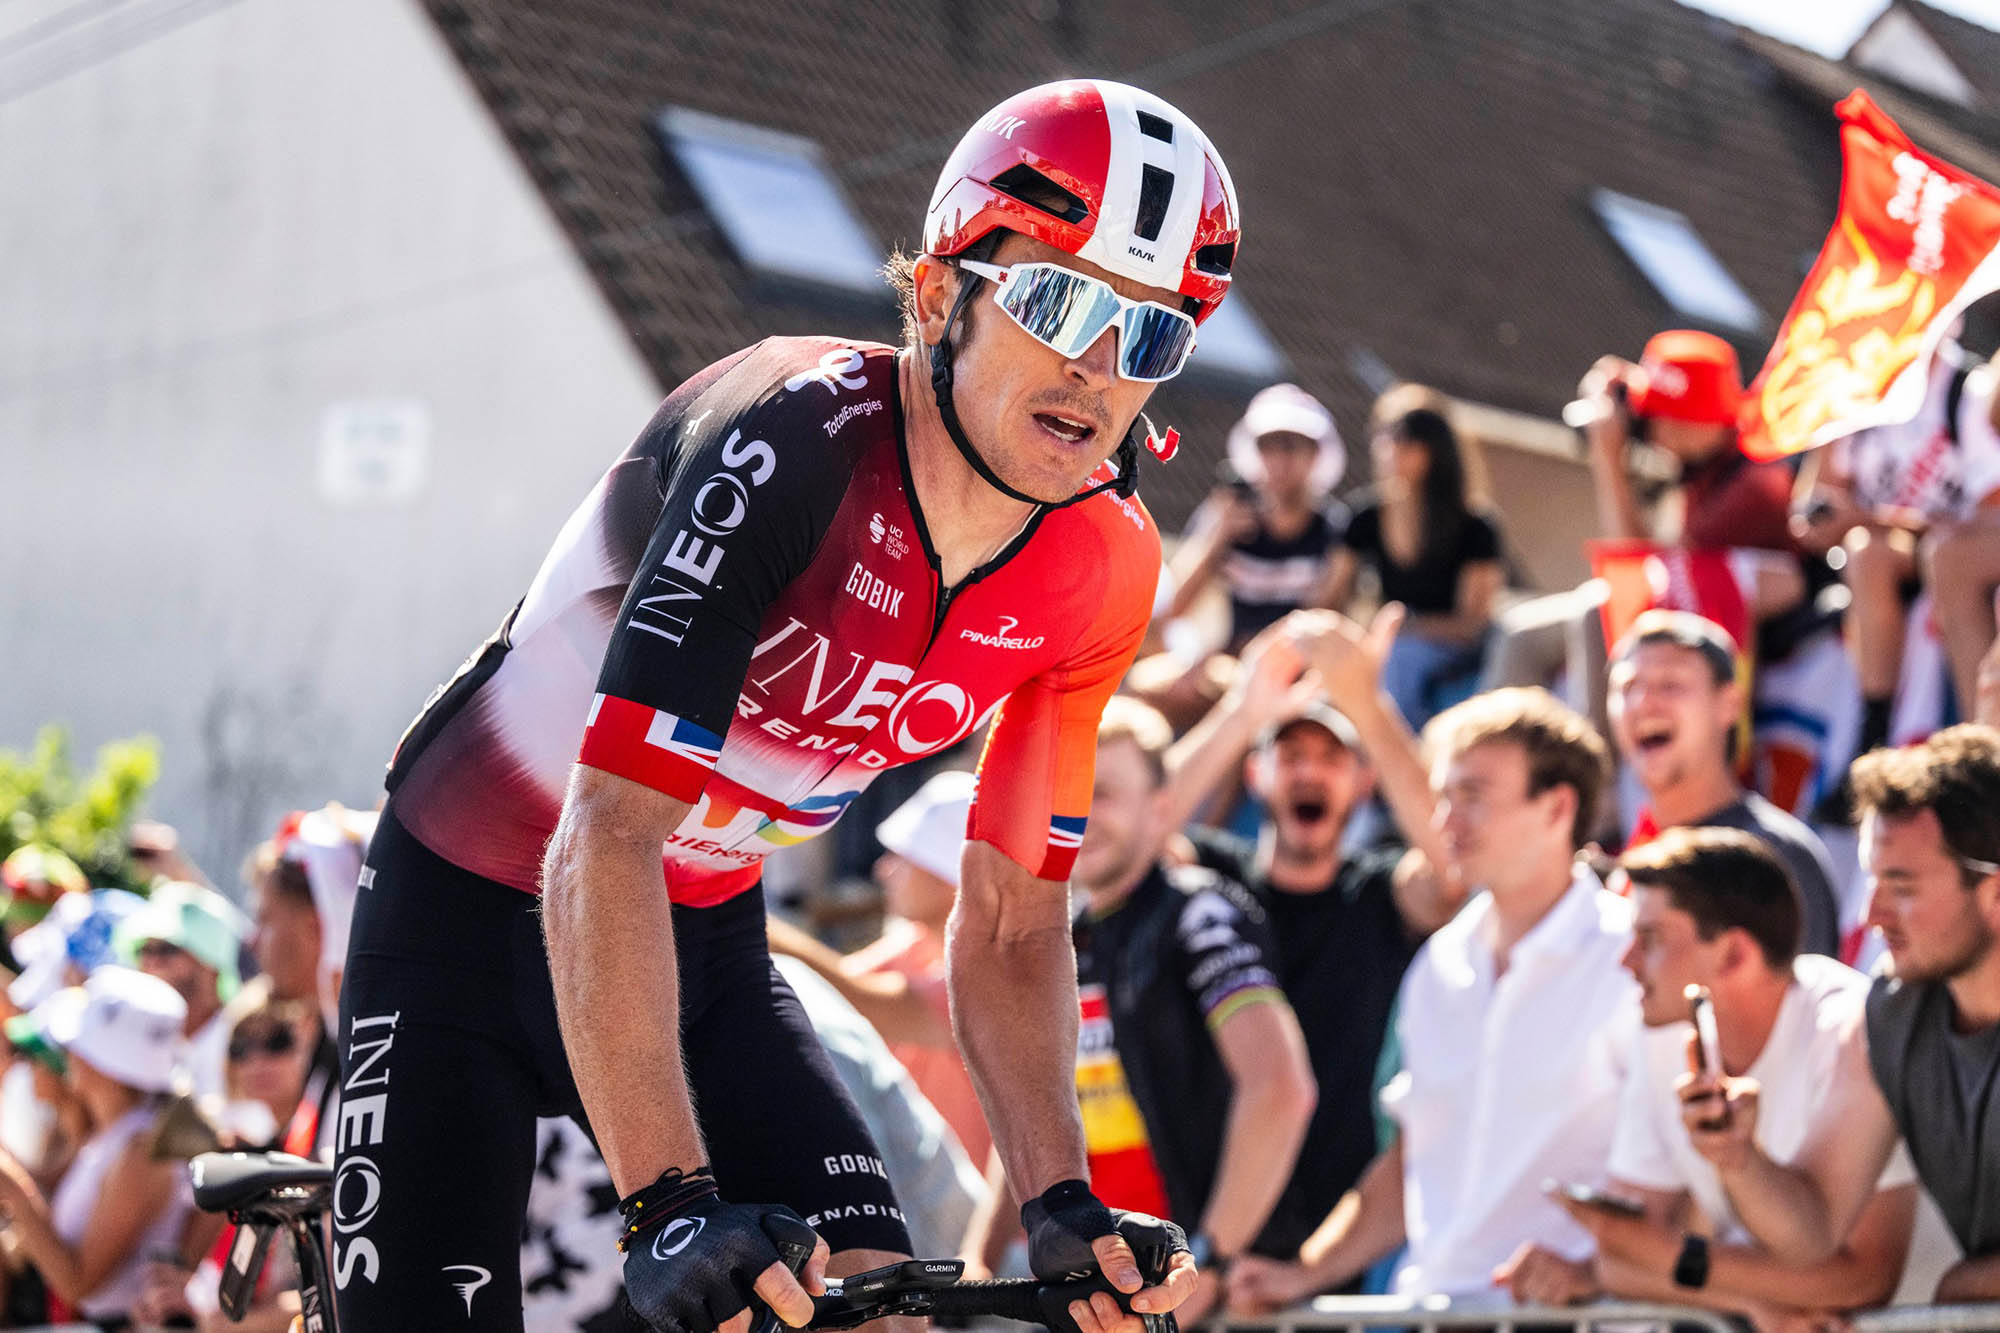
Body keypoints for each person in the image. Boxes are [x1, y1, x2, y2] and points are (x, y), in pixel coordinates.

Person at [339, 78, 1237, 1331]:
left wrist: (1056, 1200)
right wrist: (667, 1201)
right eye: (1057, 300)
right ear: (938, 294)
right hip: (471, 909)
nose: (1095, 366)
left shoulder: (1104, 565)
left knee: (872, 1309)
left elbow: (1015, 916)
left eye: (1148, 336)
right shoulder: (792, 436)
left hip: (704, 946)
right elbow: (609, 832)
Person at [1227, 684, 1637, 1308]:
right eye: (1445, 797)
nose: (1445, 822)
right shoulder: (1438, 965)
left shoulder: (1632, 959)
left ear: (1557, 808)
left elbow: (1687, 1168)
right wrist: (1305, 1273)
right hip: (1433, 1313)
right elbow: (1412, 1158)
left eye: (1473, 797)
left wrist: (1597, 1272)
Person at [1163, 612, 1466, 1266]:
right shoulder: (1207, 881)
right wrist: (1242, 714)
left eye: (1333, 758)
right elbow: (1133, 835)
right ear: (1256, 775)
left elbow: (1455, 871)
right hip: (1206, 1233)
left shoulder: (1382, 894)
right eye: (1291, 755)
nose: (1311, 773)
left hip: (1342, 1245)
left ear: (1364, 781)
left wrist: (1368, 706)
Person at [1526, 828, 1917, 1327]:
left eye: (1650, 938)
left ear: (1735, 954)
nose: (1625, 961)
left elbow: (1865, 1277)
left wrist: (1675, 1263)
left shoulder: (1850, 1028)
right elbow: (1621, 1257)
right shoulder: (1661, 1034)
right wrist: (1750, 1302)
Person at [1679, 725, 2000, 1301]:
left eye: (1902, 886)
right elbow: (1816, 1225)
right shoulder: (1890, 1015)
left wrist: (1964, 1288)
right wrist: (1739, 1157)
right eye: (1872, 880)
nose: (1872, 914)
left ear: (1995, 895)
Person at [1059, 697, 1317, 1323]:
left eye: (1104, 794)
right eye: (1069, 795)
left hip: (1203, 1303)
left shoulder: (1201, 914)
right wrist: (984, 1254)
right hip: (1106, 1296)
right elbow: (1043, 1103)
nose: (1082, 814)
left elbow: (1280, 1089)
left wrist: (1208, 1260)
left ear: (1161, 809)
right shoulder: (1067, 939)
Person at [1484, 330, 1805, 729]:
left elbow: (1641, 572)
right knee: (1520, 634)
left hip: (1715, 638)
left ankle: (1598, 760)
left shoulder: (1754, 486)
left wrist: (1608, 458)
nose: (1649, 430)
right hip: (1689, 621)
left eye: (1657, 416)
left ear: (1693, 420)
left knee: (1591, 613)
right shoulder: (1705, 471)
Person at [767, 768, 991, 1167]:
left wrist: (741, 915)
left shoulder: (993, 972)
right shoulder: (915, 942)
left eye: (903, 857)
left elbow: (861, 1000)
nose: (883, 870)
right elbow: (828, 990)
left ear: (951, 875)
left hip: (975, 1201)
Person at [1793, 337, 2000, 749]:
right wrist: (1828, 426)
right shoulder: (1853, 397)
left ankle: (1982, 738)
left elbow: (1987, 516)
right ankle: (1875, 725)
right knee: (1866, 552)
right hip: (1905, 551)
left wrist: (1874, 517)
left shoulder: (1968, 390)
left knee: (1944, 556)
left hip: (1949, 544)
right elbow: (1807, 523)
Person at [1607, 610, 1841, 957]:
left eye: (1670, 685)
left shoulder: (1773, 859)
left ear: (1729, 704)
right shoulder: (1631, 860)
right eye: (1628, 687)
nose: (1643, 703)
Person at [0, 968, 194, 1325]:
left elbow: (77, 1284)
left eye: (74, 1045)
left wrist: (13, 1188)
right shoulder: (112, 1131)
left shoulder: (141, 1153)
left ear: (100, 1064)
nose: (66, 1056)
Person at [1318, 399, 1504, 730]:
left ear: (1435, 451)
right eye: (1386, 439)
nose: (1392, 451)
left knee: (1402, 658)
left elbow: (1472, 625)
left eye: (1406, 442)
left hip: (1451, 654)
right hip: (1390, 640)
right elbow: (1329, 598)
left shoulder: (1475, 527)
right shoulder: (1364, 518)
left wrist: (1406, 628)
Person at [1164, 383, 1348, 654]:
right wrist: (1217, 540)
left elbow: (1325, 621)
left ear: (1315, 454)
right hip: (1227, 662)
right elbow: (1172, 609)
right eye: (1267, 446)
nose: (1279, 460)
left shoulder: (1336, 530)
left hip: (1296, 665)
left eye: (1290, 446)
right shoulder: (1230, 515)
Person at [117, 879, 247, 1098]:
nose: (150, 963)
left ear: (210, 963)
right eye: (144, 950)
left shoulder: (245, 1049)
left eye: (166, 949)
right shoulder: (145, 1046)